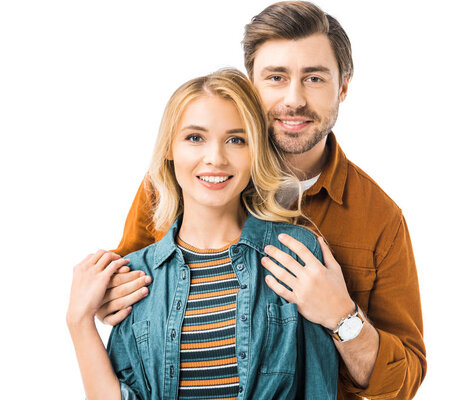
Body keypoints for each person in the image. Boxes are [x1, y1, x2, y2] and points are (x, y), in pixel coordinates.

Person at [99, 2, 427, 399]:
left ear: (342, 86)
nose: (294, 99)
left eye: (314, 78)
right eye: (276, 77)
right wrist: (107, 300)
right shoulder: (181, 182)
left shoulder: (379, 218)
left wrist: (341, 316)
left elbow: (404, 380)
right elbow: (126, 297)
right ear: (250, 84)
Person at [67, 68, 338, 400]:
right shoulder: (136, 277)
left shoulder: (294, 254)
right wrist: (79, 322)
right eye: (195, 138)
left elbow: (318, 389)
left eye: (236, 140)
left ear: (255, 153)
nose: (215, 158)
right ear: (170, 148)